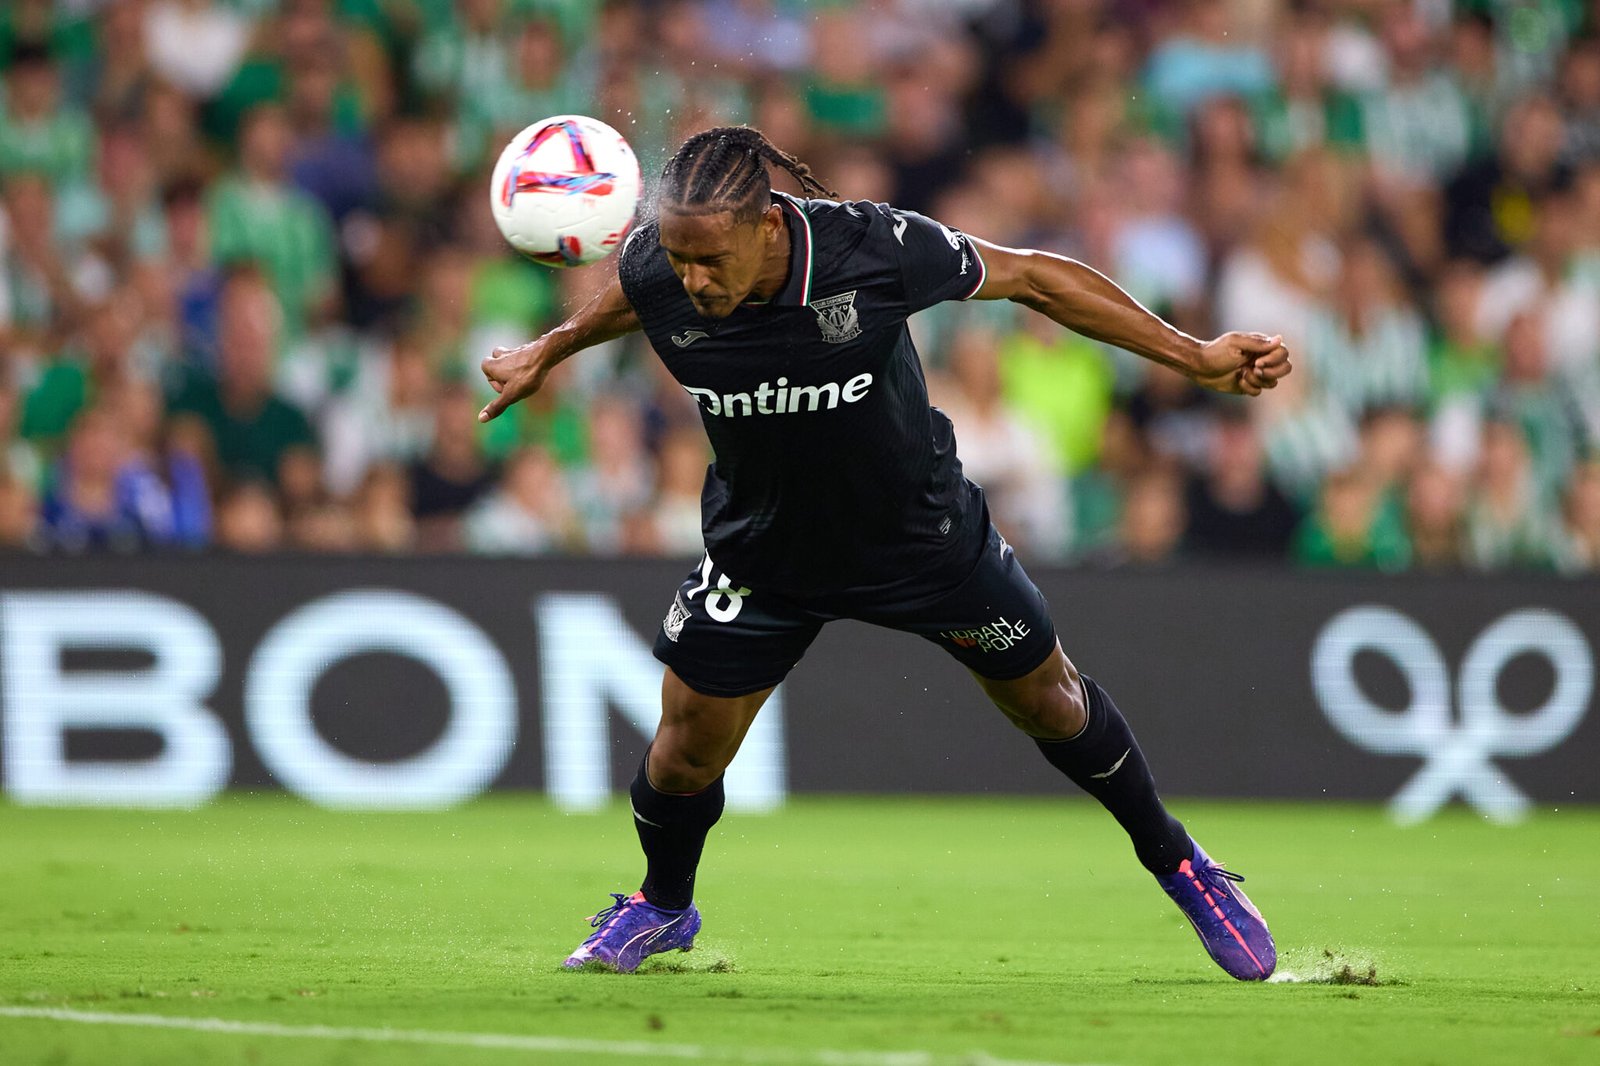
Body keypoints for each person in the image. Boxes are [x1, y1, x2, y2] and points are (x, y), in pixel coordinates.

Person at [480, 127, 1292, 980]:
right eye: (679, 261)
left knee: (1052, 704)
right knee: (684, 747)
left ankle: (1181, 864)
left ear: (767, 226)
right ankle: (662, 907)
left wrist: (1194, 357)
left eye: (710, 261)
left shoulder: (871, 249)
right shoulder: (660, 267)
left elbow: (1035, 276)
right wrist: (549, 349)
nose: (692, 281)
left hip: (921, 538)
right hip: (766, 551)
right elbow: (636, 295)